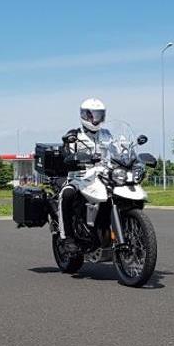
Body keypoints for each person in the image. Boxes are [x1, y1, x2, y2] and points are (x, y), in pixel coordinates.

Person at [57, 98, 112, 251]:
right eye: (92, 115)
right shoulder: (74, 135)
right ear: (84, 115)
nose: (95, 119)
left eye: (99, 115)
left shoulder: (108, 135)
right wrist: (72, 155)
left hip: (104, 176)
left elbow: (120, 150)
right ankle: (67, 237)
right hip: (80, 178)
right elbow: (65, 154)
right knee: (66, 195)